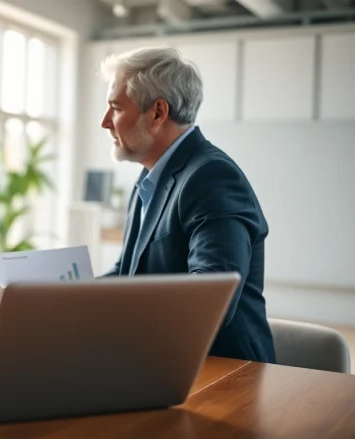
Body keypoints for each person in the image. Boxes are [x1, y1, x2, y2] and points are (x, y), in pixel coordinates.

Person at [99, 47, 276, 363]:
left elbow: (209, 301)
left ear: (157, 113)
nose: (105, 122)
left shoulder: (211, 177)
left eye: (114, 108)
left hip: (227, 378)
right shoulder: (148, 179)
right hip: (161, 364)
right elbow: (126, 275)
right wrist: (58, 301)